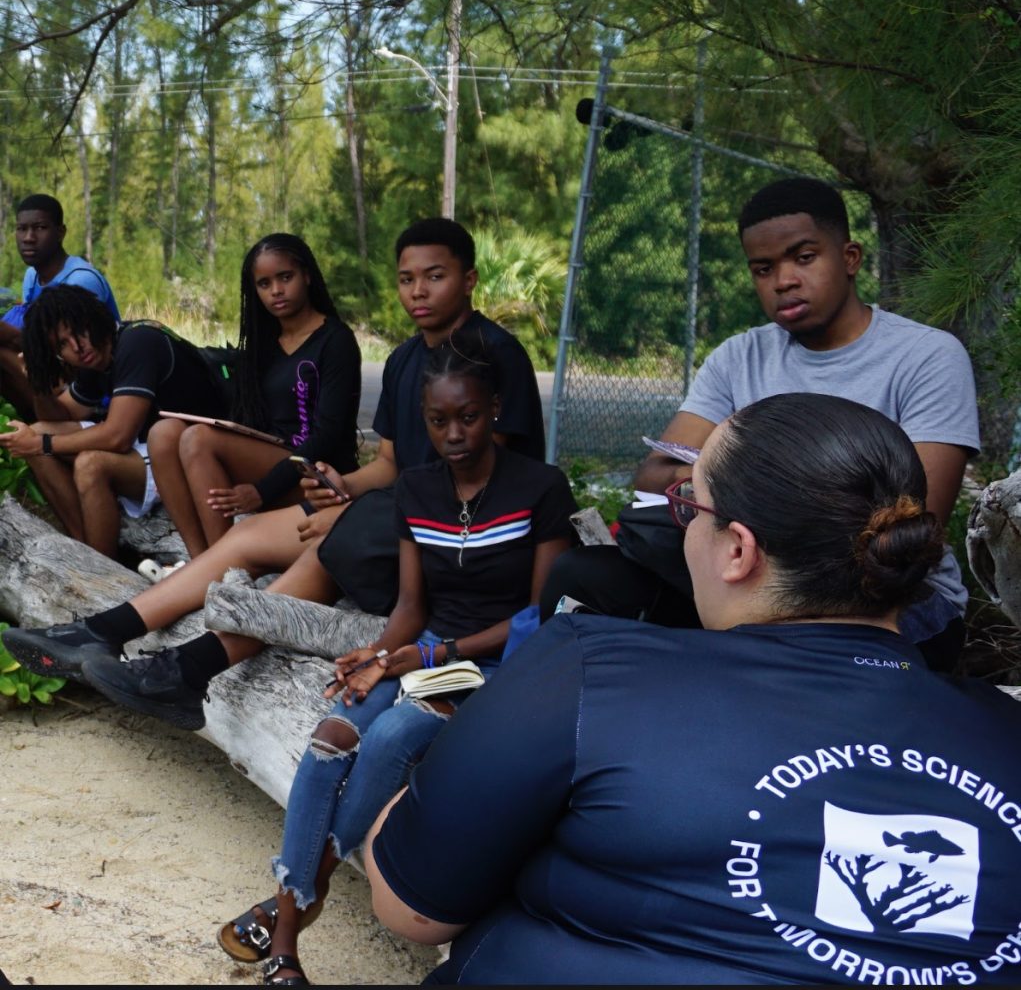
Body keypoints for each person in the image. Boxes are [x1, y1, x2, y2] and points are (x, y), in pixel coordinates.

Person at [366, 392, 1021, 986]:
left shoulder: (590, 667)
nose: (681, 524)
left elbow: (409, 908)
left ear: (737, 549)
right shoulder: (1001, 729)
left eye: (689, 506)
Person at [0, 218, 546, 729]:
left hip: (462, 540)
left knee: (323, 550)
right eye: (406, 279)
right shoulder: (405, 359)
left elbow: (478, 485)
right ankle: (103, 630)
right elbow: (388, 466)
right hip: (398, 510)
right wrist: (341, 489)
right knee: (252, 535)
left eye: (435, 276)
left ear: (469, 279)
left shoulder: (494, 354)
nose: (418, 291)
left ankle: (186, 670)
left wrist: (352, 516)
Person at [211, 340, 575, 986]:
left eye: (467, 417)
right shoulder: (416, 489)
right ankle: (288, 949)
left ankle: (291, 906)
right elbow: (411, 604)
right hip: (424, 646)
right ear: (423, 420)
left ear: (494, 409)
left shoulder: (538, 487)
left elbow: (536, 614)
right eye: (438, 422)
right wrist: (379, 657)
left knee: (394, 735)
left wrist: (435, 653)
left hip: (495, 663)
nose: (454, 434)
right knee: (330, 735)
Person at [540, 177, 979, 672]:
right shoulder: (739, 357)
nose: (783, 280)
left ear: (851, 257)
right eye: (763, 268)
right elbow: (659, 471)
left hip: (884, 596)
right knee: (585, 575)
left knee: (776, 662)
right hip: (740, 576)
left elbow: (918, 515)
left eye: (804, 257)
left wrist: (731, 482)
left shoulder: (926, 357)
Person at [146, 233, 361, 561]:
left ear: (306, 274)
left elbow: (327, 436)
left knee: (198, 440)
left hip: (317, 473)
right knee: (163, 434)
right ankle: (200, 559)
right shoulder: (265, 344)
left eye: (285, 277)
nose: (276, 290)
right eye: (263, 283)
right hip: (270, 456)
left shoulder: (335, 341)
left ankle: (223, 566)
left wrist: (262, 491)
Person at [0, 286, 228, 559]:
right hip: (147, 446)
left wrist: (43, 444)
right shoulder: (96, 358)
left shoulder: (137, 343)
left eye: (79, 331)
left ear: (95, 318)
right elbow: (63, 415)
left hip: (185, 455)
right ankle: (84, 545)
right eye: (61, 344)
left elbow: (117, 436)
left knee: (89, 464)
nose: (77, 346)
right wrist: (39, 384)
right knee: (39, 432)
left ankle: (103, 565)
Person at [0, 194, 118, 421]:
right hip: (57, 366)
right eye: (21, 229)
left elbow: (79, 351)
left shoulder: (81, 280)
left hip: (91, 379)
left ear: (61, 232)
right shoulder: (32, 275)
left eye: (40, 228)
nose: (28, 238)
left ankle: (43, 424)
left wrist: (9, 335)